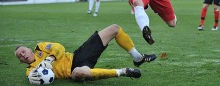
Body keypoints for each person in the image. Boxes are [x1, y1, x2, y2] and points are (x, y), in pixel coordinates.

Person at [15, 24, 157, 84]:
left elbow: (59, 47)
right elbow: (33, 78)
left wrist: (50, 59)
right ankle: (124, 72)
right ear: (21, 62)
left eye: (23, 51)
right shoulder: (30, 70)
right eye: (19, 56)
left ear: (29, 49)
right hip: (72, 72)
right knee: (80, 73)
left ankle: (137, 57)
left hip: (77, 56)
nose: (22, 55)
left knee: (114, 29)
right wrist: (33, 78)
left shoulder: (40, 47)